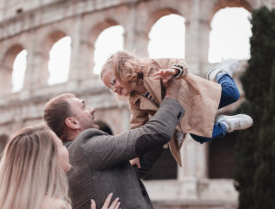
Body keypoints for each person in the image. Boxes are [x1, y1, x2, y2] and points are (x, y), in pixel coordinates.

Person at [44, 77, 185, 209]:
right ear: (72, 122)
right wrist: (172, 94)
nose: (92, 109)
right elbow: (156, 132)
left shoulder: (74, 155)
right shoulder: (84, 145)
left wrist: (162, 139)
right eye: (84, 106)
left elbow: (128, 178)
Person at [100, 50, 253, 166]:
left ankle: (220, 73)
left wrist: (173, 71)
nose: (113, 89)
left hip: (196, 97)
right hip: (184, 116)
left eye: (113, 82)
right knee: (201, 136)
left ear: (124, 69)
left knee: (232, 94)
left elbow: (180, 63)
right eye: (109, 88)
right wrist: (134, 152)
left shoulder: (152, 67)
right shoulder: (134, 100)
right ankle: (225, 125)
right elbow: (136, 125)